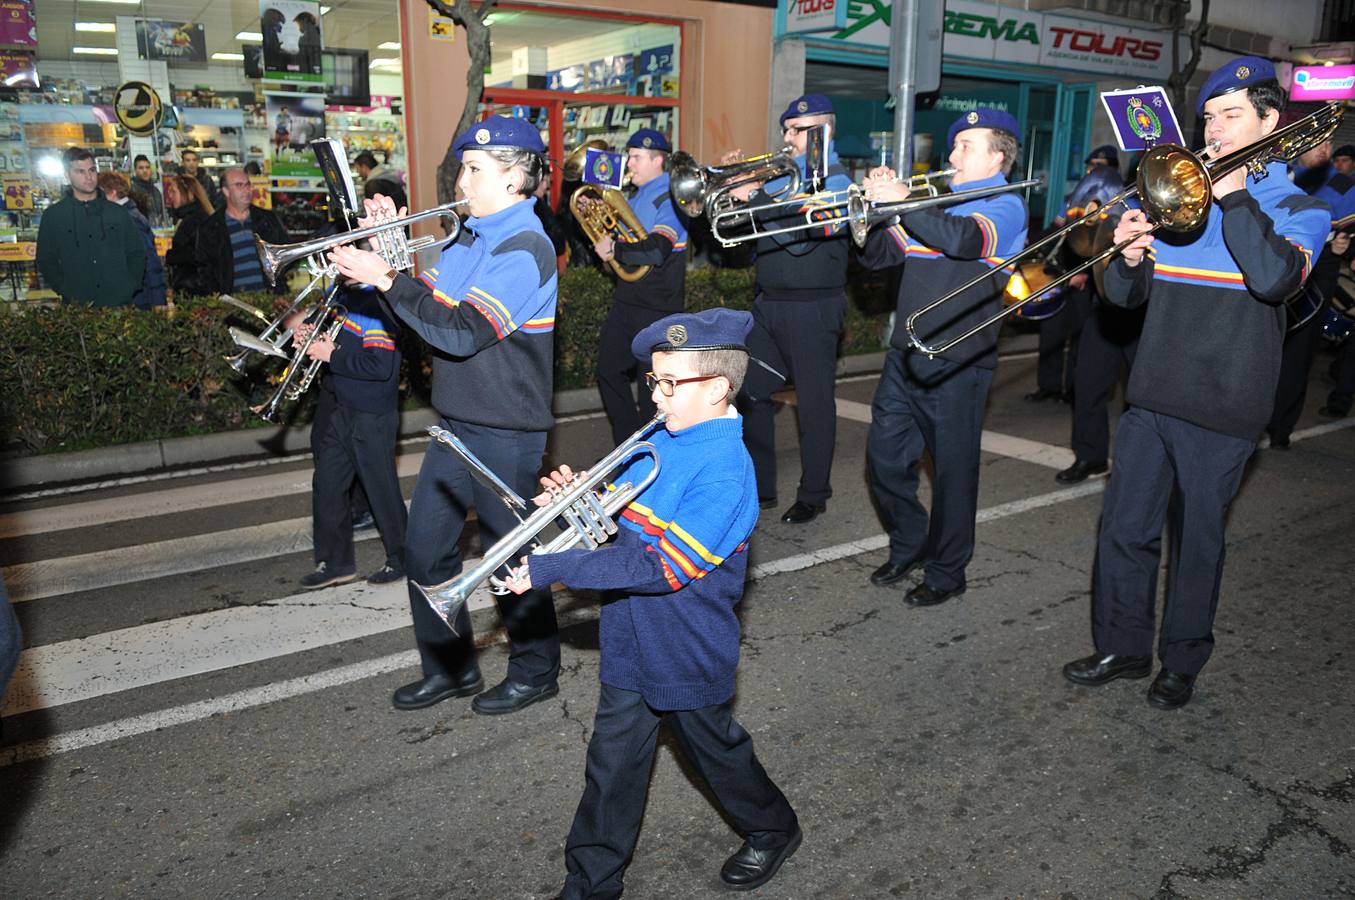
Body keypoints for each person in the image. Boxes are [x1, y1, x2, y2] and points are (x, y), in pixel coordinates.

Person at [504, 307, 801, 898]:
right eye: (654, 380)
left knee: (716, 754)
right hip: (628, 635)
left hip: (684, 647)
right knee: (610, 766)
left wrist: (550, 569)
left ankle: (773, 828)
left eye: (670, 383)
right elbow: (621, 527)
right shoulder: (659, 441)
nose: (656, 395)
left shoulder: (725, 471)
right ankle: (591, 882)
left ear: (718, 388)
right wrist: (580, 501)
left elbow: (659, 567)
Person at [1062, 57, 1331, 709]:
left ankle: (1180, 660)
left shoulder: (1302, 209)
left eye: (1230, 114)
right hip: (1152, 394)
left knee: (1196, 542)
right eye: (1207, 116)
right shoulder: (1178, 206)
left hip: (1224, 402)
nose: (1212, 128)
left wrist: (1235, 193)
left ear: (1270, 122)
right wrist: (1123, 257)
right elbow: (1125, 302)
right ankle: (1122, 647)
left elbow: (1273, 280)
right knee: (1124, 529)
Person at [329, 115, 561, 714]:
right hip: (457, 422)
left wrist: (384, 274)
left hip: (507, 430)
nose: (462, 181)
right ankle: (450, 668)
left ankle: (536, 671)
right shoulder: (471, 236)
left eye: (476, 169)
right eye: (463, 166)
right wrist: (388, 255)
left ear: (516, 179)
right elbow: (425, 309)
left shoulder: (526, 247)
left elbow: (459, 334)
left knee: (510, 560)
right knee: (426, 549)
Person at [858, 108, 1029, 606]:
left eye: (966, 147)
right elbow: (878, 258)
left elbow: (965, 241)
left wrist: (906, 202)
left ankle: (947, 570)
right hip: (905, 357)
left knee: (953, 475)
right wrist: (871, 212)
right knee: (883, 461)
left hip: (958, 361)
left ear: (998, 156)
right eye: (954, 147)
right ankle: (911, 542)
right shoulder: (931, 204)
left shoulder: (1005, 203)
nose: (952, 156)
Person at [731, 94, 853, 524]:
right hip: (769, 304)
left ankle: (814, 493)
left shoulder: (836, 181)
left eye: (796, 130)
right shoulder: (781, 179)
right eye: (786, 129)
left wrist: (757, 197)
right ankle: (762, 488)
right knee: (751, 391)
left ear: (824, 131)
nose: (787, 137)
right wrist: (734, 193)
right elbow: (744, 233)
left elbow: (801, 237)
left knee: (815, 402)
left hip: (813, 306)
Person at [290, 281, 408, 589]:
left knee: (380, 490)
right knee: (327, 483)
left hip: (371, 413)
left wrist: (332, 355)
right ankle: (336, 563)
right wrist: (307, 335)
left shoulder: (378, 304)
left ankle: (402, 557)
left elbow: (380, 366)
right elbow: (327, 333)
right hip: (341, 407)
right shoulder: (341, 294)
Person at [591, 129, 689, 444]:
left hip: (657, 306)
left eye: (635, 157)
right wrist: (607, 249)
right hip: (627, 300)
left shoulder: (671, 197)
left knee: (651, 390)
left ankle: (652, 457)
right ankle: (628, 446)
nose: (628, 163)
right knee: (608, 370)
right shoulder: (633, 196)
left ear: (657, 160)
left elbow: (657, 250)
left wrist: (615, 251)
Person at [1054, 162, 1146, 484]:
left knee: (1142, 398)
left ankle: (1137, 467)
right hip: (1105, 312)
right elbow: (1083, 245)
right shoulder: (1112, 203)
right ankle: (1090, 457)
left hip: (1144, 317)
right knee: (1088, 385)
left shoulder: (1154, 208)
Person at [1266, 155, 1355, 447]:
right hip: (1271, 260)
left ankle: (1281, 428)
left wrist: (1344, 244)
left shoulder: (1342, 183)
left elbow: (1348, 230)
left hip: (1319, 269)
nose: (1325, 148)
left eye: (1329, 142)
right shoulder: (1274, 168)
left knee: (1299, 353)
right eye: (1322, 142)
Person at [1027, 144, 1121, 404]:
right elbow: (1056, 232)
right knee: (1051, 333)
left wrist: (1086, 276)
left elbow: (1109, 250)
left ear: (1113, 169)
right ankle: (1048, 385)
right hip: (1063, 273)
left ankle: (1073, 390)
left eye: (1098, 167)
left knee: (1082, 337)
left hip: (1089, 280)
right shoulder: (1075, 199)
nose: (1091, 171)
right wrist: (1031, 246)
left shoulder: (1119, 203)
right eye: (1090, 166)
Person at [36, 147, 146, 307]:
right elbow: (46, 260)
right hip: (78, 307)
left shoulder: (117, 213)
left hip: (118, 304)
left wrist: (130, 286)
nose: (88, 177)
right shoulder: (54, 216)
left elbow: (136, 252)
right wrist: (64, 289)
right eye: (80, 171)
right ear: (67, 176)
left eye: (92, 170)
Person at [193, 167, 289, 296]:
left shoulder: (268, 220)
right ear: (226, 191)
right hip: (232, 306)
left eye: (248, 184)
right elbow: (204, 269)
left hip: (269, 302)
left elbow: (286, 255)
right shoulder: (211, 228)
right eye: (239, 185)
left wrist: (279, 290)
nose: (246, 190)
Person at [98, 171, 167, 310]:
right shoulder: (124, 215)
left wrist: (158, 298)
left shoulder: (129, 220)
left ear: (112, 193)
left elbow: (149, 261)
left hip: (138, 298)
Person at [163, 173, 214, 295]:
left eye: (174, 192)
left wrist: (171, 256)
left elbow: (197, 255)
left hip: (193, 288)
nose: (170, 196)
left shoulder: (193, 221)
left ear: (187, 194)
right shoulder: (196, 216)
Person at [130, 154, 165, 224]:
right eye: (141, 168)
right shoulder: (132, 191)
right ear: (135, 171)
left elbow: (162, 213)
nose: (145, 171)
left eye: (147, 167)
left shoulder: (156, 191)